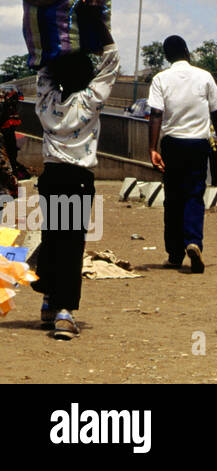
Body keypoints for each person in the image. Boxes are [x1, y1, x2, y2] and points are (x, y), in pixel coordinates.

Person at [32, 38, 120, 339]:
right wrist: (103, 37)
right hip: (78, 178)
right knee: (71, 244)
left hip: (51, 176)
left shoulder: (46, 103)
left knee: (53, 237)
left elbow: (42, 75)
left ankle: (48, 298)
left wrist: (48, 52)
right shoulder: (90, 101)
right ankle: (64, 312)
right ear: (86, 76)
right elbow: (111, 66)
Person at [147, 35, 217, 274]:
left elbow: (156, 114)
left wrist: (153, 148)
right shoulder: (204, 77)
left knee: (172, 198)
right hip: (198, 145)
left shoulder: (161, 78)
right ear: (187, 52)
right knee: (194, 195)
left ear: (167, 56)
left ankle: (174, 254)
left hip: (172, 144)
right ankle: (193, 241)